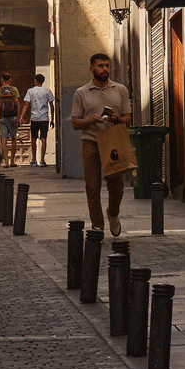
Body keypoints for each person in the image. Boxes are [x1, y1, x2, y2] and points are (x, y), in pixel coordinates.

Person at [70, 50, 132, 239]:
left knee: (117, 187)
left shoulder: (120, 90)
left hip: (113, 140)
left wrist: (117, 118)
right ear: (91, 68)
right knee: (92, 186)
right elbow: (75, 123)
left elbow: (128, 119)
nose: (105, 69)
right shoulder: (81, 93)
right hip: (91, 142)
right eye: (100, 66)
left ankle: (113, 213)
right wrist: (90, 120)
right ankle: (97, 226)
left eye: (107, 66)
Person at [0, 69, 24, 165]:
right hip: (13, 117)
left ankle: (6, 161)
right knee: (14, 139)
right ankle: (13, 161)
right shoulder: (14, 90)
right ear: (10, 80)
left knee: (3, 139)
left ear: (2, 80)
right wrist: (18, 117)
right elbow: (18, 104)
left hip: (2, 118)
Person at [24, 72, 55, 167]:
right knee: (43, 138)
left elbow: (26, 104)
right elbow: (51, 105)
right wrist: (52, 119)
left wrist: (22, 116)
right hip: (44, 118)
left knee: (33, 138)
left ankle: (34, 159)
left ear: (36, 81)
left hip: (34, 117)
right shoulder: (47, 91)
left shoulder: (30, 91)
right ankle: (42, 159)